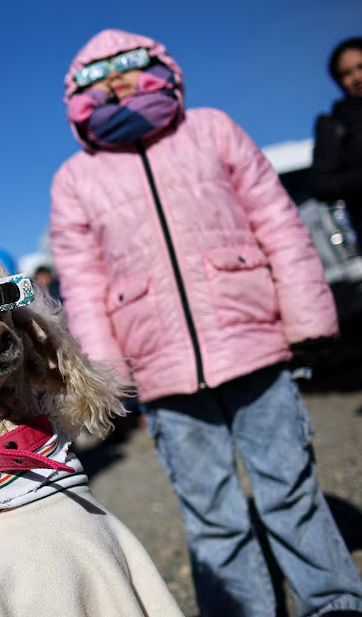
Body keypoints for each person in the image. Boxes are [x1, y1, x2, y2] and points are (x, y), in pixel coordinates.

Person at [49, 29, 362, 617]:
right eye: (101, 77)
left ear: (159, 70)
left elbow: (278, 223)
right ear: (80, 95)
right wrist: (105, 378)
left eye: (131, 69)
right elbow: (83, 286)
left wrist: (306, 316)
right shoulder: (75, 178)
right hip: (163, 372)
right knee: (213, 517)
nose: (118, 84)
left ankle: (335, 605)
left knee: (290, 492)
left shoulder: (212, 129)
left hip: (254, 345)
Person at [311, 37, 362, 238]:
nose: (357, 77)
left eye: (361, 67)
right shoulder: (334, 124)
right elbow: (321, 185)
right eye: (346, 73)